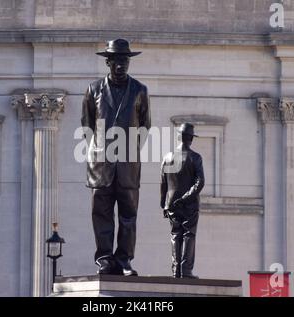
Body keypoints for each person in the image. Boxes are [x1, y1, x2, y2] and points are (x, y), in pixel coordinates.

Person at [81, 39, 151, 276]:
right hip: (101, 165)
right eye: (117, 61)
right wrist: (100, 150)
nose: (122, 65)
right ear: (108, 62)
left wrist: (128, 150)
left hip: (128, 165)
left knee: (128, 215)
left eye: (125, 60)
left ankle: (124, 261)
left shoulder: (140, 90)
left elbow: (145, 125)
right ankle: (104, 260)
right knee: (101, 214)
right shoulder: (94, 89)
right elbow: (87, 125)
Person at [160, 123, 205, 279]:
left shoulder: (167, 157)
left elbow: (163, 183)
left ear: (179, 137)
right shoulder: (195, 157)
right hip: (189, 203)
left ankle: (175, 270)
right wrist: (186, 197)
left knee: (175, 235)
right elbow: (200, 182)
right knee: (188, 235)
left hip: (171, 203)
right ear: (191, 138)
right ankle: (185, 271)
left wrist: (164, 204)